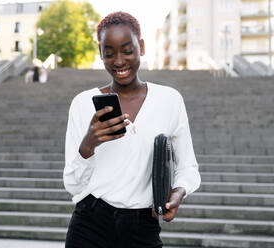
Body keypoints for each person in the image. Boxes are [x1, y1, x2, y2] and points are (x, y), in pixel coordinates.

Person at [64, 12, 201, 248]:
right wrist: (88, 146)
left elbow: (188, 167)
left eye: (127, 50)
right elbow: (73, 185)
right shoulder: (82, 103)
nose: (119, 61)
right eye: (109, 53)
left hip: (142, 227)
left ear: (142, 47)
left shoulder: (169, 100)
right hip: (90, 224)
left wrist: (178, 194)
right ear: (101, 54)